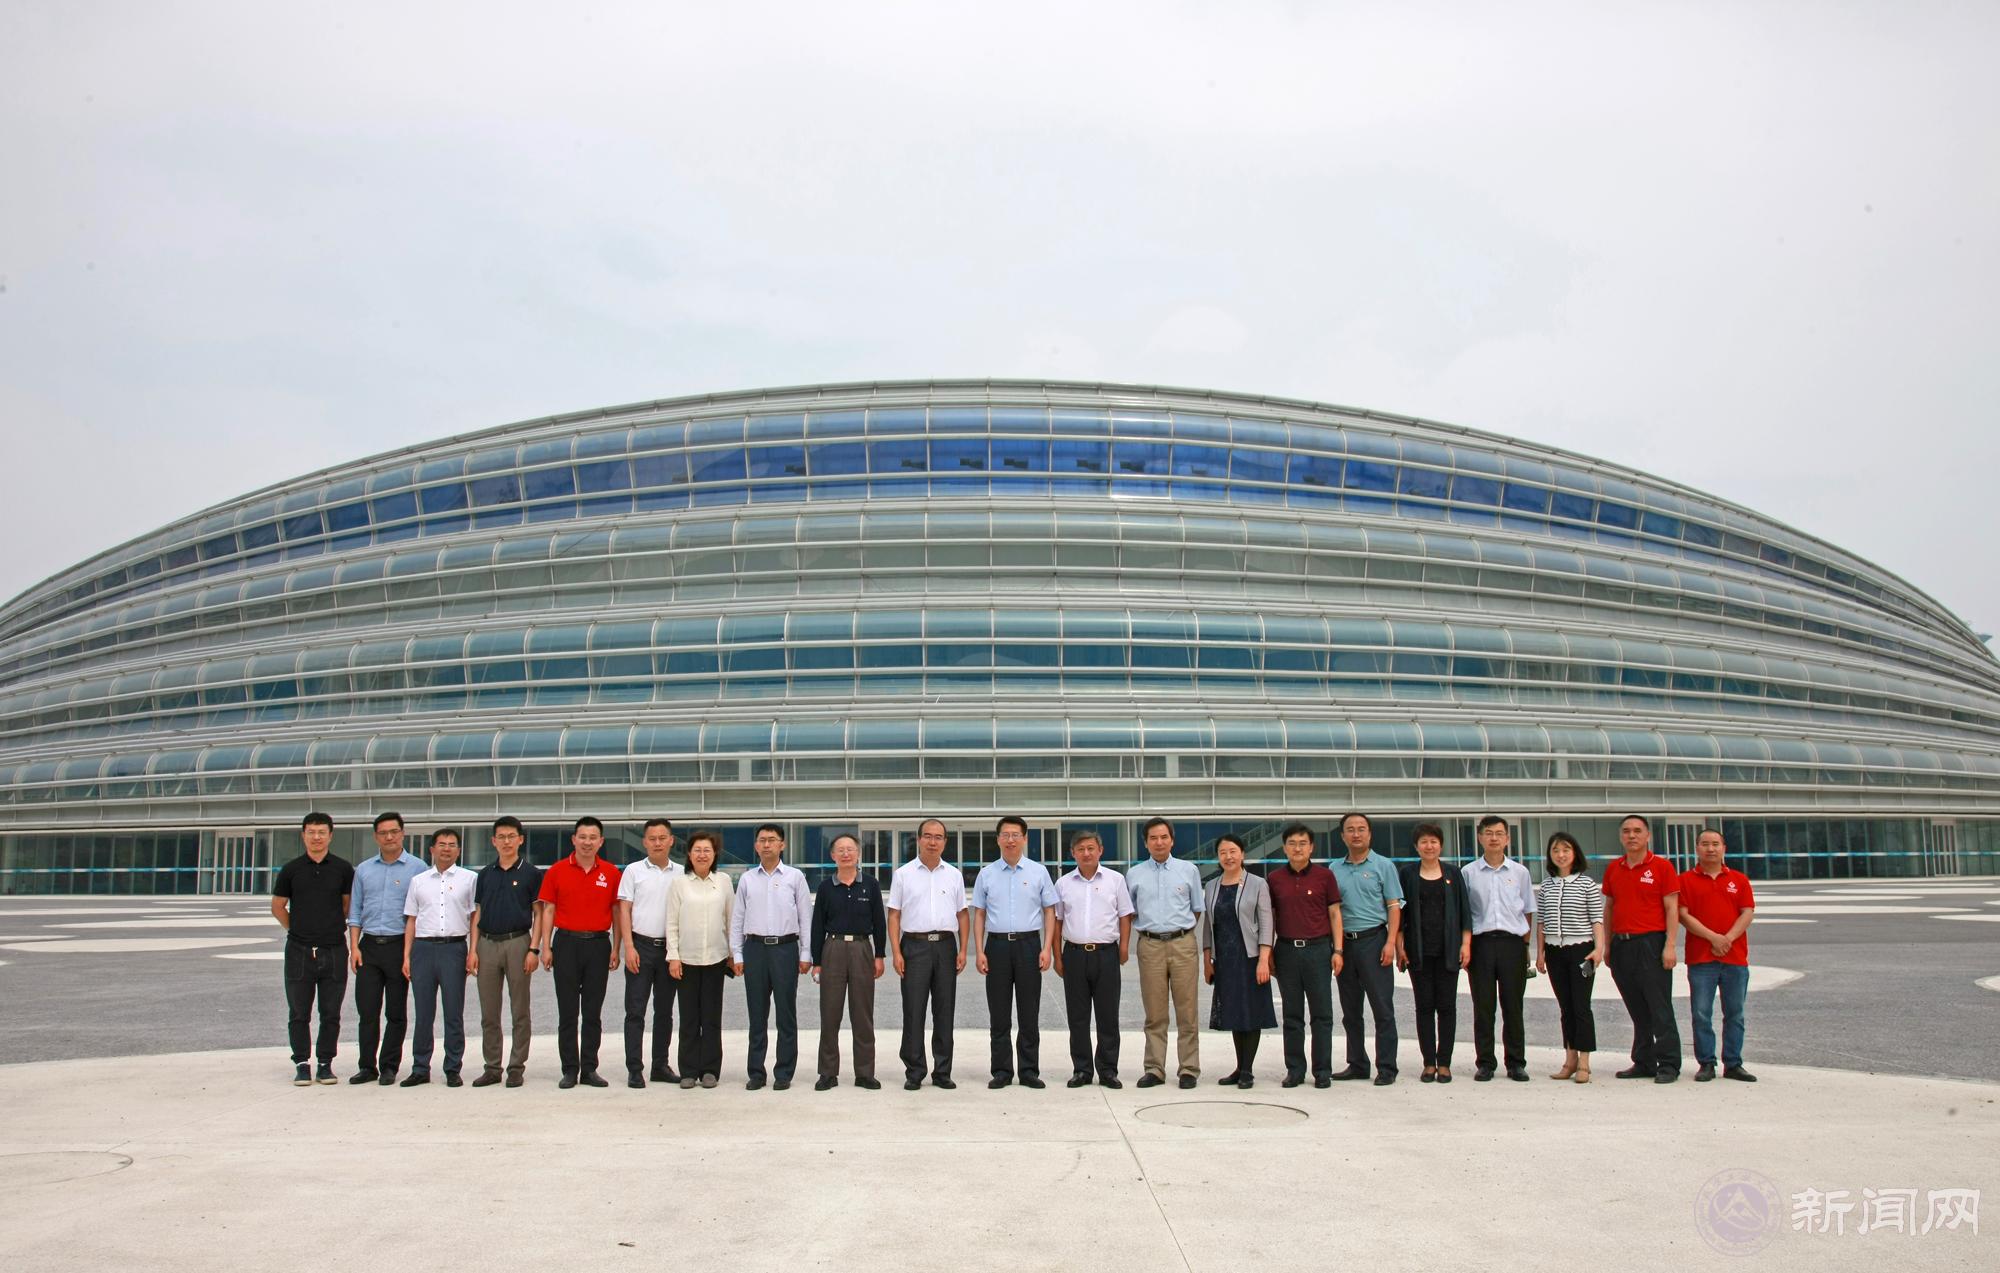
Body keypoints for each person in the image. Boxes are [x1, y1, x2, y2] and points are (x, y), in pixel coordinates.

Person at [531, 816, 622, 1088]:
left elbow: (617, 912)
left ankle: (590, 1068)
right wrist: (546, 946)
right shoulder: (557, 871)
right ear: (573, 839)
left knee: (593, 1013)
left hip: (598, 945)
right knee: (568, 1012)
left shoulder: (611, 873)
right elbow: (548, 910)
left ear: (601, 841)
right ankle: (570, 1069)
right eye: (582, 837)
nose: (587, 842)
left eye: (593, 837)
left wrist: (616, 947)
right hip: (566, 944)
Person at [971, 816, 1059, 1089]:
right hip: (996, 946)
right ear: (998, 839)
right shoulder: (986, 874)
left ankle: (1029, 1070)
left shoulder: (1038, 872)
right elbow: (979, 914)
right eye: (1005, 835)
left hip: (1028, 945)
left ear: (1025, 839)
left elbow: (1049, 911)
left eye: (1016, 835)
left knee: (1029, 1011)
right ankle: (1001, 1071)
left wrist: (1046, 948)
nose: (1010, 840)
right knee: (998, 1013)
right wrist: (979, 951)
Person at [729, 823, 814, 1091]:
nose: (767, 844)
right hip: (754, 949)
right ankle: (756, 1072)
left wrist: (806, 952)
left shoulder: (795, 877)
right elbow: (737, 918)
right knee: (757, 1014)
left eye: (772, 840)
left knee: (785, 1013)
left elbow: (806, 917)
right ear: (756, 846)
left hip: (785, 949)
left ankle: (784, 1072)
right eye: (762, 840)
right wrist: (737, 953)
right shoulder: (747, 879)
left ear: (782, 845)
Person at [271, 811, 354, 1085]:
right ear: (303, 835)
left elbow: (346, 905)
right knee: (299, 1012)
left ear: (330, 835)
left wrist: (327, 927)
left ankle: (325, 1063)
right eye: (311, 832)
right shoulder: (291, 869)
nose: (316, 837)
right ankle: (302, 1063)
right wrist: (297, 930)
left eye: (321, 832)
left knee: (331, 1012)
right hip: (299, 950)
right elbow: (278, 906)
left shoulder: (343, 869)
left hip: (333, 949)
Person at [886, 818, 968, 1090]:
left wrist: (963, 949)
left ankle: (942, 1071)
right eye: (928, 836)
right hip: (914, 946)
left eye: (939, 837)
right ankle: (915, 1071)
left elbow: (962, 914)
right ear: (919, 839)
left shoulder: (954, 875)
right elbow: (894, 915)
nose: (933, 842)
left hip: (945, 946)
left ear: (945, 841)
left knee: (945, 1010)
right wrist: (896, 951)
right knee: (914, 1010)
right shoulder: (903, 874)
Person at [344, 811, 423, 1085]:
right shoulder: (364, 870)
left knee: (396, 1012)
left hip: (399, 946)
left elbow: (420, 913)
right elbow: (355, 911)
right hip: (368, 947)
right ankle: (367, 1066)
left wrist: (409, 953)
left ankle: (389, 1066)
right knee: (367, 1011)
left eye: (394, 831)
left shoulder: (418, 868)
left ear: (403, 833)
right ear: (376, 836)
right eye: (383, 833)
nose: (389, 837)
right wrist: (354, 947)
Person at [1601, 814, 1682, 1083]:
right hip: (1621, 945)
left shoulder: (1661, 867)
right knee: (1636, 1008)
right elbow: (1610, 907)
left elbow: (1672, 908)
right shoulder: (1614, 868)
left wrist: (1670, 945)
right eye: (1626, 831)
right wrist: (1608, 944)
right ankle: (1644, 1061)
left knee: (1659, 1007)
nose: (1632, 835)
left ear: (1648, 836)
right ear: (1621, 836)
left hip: (1651, 944)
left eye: (1637, 831)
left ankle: (1668, 1064)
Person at [1128, 817, 1205, 1089]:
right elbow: (1131, 911)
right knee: (1155, 1012)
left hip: (1183, 944)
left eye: (1164, 837)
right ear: (1146, 843)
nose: (1159, 842)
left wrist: (1179, 933)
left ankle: (1188, 1068)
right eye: (1153, 838)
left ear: (1172, 840)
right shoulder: (1134, 874)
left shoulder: (1189, 870)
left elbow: (1196, 909)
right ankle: (1154, 1069)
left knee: (1187, 1010)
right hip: (1149, 946)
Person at [1051, 830, 1132, 1088]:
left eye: (1090, 848)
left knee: (1108, 1015)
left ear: (1100, 850)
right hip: (1074, 955)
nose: (1086, 853)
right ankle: (1082, 1069)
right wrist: (1057, 956)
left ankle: (1108, 1070)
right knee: (1078, 1016)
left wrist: (1124, 947)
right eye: (1080, 849)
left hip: (1106, 954)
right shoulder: (1063, 884)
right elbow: (1057, 922)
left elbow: (1125, 915)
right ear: (1072, 853)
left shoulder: (1115, 880)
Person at [1678, 829, 1758, 1083]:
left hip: (1735, 958)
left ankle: (1733, 1063)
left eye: (1715, 844)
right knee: (1701, 1013)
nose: (1710, 849)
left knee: (1735, 1013)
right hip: (1701, 959)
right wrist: (1713, 938)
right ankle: (1706, 1063)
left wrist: (1728, 939)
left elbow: (1747, 912)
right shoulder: (1685, 880)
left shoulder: (1739, 880)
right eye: (1705, 844)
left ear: (1724, 848)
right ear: (1697, 848)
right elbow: (1683, 915)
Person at [1328, 812, 1402, 1085]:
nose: (1356, 834)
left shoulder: (1384, 866)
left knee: (1382, 1009)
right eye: (1350, 829)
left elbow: (1394, 906)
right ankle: (1357, 1063)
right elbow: (1332, 911)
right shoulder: (1334, 869)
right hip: (1345, 945)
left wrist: (1390, 943)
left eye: (1361, 829)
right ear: (1342, 836)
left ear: (1369, 834)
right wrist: (1336, 949)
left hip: (1375, 941)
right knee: (1350, 1011)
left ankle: (1387, 1067)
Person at [1264, 823, 1339, 1088]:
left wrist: (1338, 950)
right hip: (1286, 951)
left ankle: (1322, 1070)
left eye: (1303, 843)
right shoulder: (1274, 879)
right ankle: (1295, 1069)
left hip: (1319, 950)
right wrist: (1268, 951)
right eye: (1292, 843)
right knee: (1292, 1015)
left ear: (1311, 847)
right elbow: (1270, 917)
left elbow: (1334, 914)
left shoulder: (1325, 876)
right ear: (1284, 848)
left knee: (1322, 1014)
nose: (1298, 848)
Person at [399, 828, 476, 1087]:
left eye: (452, 844)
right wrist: (407, 956)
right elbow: (411, 919)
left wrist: (472, 951)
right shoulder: (418, 881)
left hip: (454, 949)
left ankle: (453, 1068)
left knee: (453, 1012)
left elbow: (474, 918)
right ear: (432, 849)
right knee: (423, 1013)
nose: (446, 849)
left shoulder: (470, 879)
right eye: (441, 844)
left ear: (459, 850)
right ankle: (420, 1068)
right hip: (423, 949)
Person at [1395, 823, 1471, 1084]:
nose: (1429, 846)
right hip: (1418, 951)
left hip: (1448, 950)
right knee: (1424, 1007)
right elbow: (1400, 915)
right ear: (1416, 846)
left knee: (1447, 1007)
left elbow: (1464, 911)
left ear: (1441, 845)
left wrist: (1465, 944)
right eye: (1424, 842)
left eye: (1434, 841)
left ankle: (1445, 1063)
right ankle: (1429, 1062)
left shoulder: (1453, 873)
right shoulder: (1407, 874)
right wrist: (1399, 947)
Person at [809, 833, 885, 1091]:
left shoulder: (870, 885)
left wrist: (879, 955)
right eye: (840, 850)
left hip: (862, 948)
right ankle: (828, 1073)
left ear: (858, 854)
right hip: (833, 948)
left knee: (862, 1014)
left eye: (850, 849)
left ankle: (865, 1073)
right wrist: (817, 961)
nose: (845, 854)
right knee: (830, 1013)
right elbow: (817, 925)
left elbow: (879, 922)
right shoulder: (825, 887)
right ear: (833, 856)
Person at [469, 815, 540, 1088]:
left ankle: (516, 1067)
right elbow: (478, 912)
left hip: (518, 942)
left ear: (520, 839)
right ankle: (492, 1067)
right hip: (487, 944)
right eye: (501, 837)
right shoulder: (485, 874)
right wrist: (473, 949)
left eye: (511, 836)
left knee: (520, 1009)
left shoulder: (531, 873)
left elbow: (539, 913)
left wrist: (534, 949)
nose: (506, 842)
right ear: (493, 841)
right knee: (489, 1011)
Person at [1464, 815, 1536, 1083]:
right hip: (1481, 944)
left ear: (1507, 838)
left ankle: (1516, 1063)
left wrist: (1525, 945)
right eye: (1488, 833)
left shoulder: (1520, 872)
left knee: (1513, 1006)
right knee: (1483, 1007)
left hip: (1512, 944)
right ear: (1480, 837)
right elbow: (1464, 914)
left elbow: (1527, 910)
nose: (1493, 838)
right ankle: (1485, 1063)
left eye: (1499, 833)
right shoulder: (1468, 873)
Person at [1200, 833, 1275, 1088]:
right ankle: (1239, 1066)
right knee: (1233, 1012)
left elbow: (1266, 923)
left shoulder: (1257, 884)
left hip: (1249, 957)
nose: (1228, 857)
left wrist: (1264, 960)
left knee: (1250, 1012)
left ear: (1242, 854)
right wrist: (1207, 959)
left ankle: (1247, 1070)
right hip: (1225, 959)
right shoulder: (1212, 886)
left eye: (1233, 851)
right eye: (1223, 852)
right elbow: (1208, 925)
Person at [615, 817, 683, 1088]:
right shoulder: (633, 871)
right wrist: (628, 947)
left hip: (669, 949)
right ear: (644, 842)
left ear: (671, 841)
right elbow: (624, 910)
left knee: (664, 1011)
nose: (657, 843)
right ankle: (634, 1068)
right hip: (640, 947)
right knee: (635, 1011)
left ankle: (660, 1065)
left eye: (662, 838)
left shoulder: (682, 873)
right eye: (652, 839)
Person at [1533, 831, 1605, 1084]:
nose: (1561, 855)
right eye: (1555, 850)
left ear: (1575, 854)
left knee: (1581, 1006)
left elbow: (1597, 919)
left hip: (1581, 950)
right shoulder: (1546, 886)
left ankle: (1584, 1062)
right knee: (1565, 1008)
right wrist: (1540, 953)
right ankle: (1570, 1058)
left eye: (1566, 850)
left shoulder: (1587, 884)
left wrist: (1599, 949)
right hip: (1555, 952)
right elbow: (1542, 922)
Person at [667, 830, 735, 1088]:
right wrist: (673, 956)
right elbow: (671, 922)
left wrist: (733, 954)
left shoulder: (724, 881)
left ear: (714, 854)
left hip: (716, 959)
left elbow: (731, 919)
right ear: (689, 854)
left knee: (711, 1017)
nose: (702, 855)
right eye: (697, 850)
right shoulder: (679, 883)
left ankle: (710, 1070)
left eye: (707, 850)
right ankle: (688, 1070)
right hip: (687, 960)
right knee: (689, 1018)